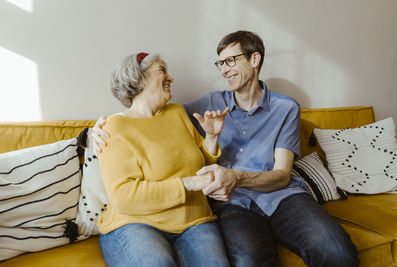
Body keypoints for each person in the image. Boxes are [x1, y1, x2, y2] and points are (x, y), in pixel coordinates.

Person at [94, 31, 360, 267]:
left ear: (254, 60)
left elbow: (282, 175)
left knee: (337, 251)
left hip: (279, 196)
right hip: (231, 202)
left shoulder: (285, 108)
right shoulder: (206, 104)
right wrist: (97, 128)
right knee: (249, 261)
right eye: (221, 63)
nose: (224, 70)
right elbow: (143, 117)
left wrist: (228, 166)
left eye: (231, 61)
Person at [96, 52, 230, 267]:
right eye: (162, 70)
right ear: (139, 78)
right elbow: (124, 196)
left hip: (194, 220)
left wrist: (212, 137)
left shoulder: (176, 113)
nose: (171, 78)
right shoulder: (114, 127)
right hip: (137, 223)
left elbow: (202, 165)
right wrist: (188, 184)